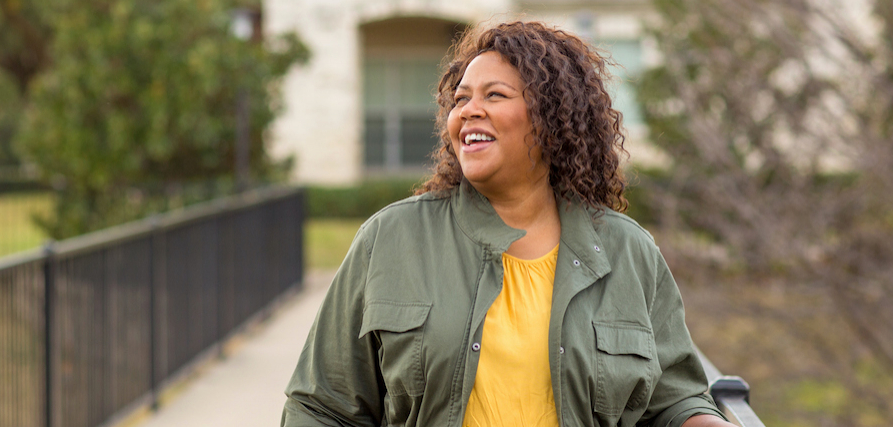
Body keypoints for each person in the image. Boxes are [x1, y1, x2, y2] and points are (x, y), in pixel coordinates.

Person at [282, 21, 734, 427]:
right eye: (460, 99)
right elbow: (320, 407)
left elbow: (675, 401)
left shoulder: (628, 251)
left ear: (551, 118)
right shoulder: (390, 240)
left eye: (493, 95)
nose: (468, 110)